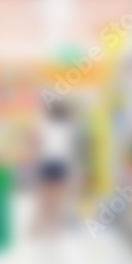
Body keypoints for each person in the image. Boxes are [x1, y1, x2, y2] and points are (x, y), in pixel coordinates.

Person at [33, 99, 79, 234]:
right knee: (58, 197)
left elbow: (37, 142)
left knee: (44, 196)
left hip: (47, 162)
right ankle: (55, 227)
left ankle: (38, 227)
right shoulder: (69, 127)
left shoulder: (44, 125)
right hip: (62, 164)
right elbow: (72, 149)